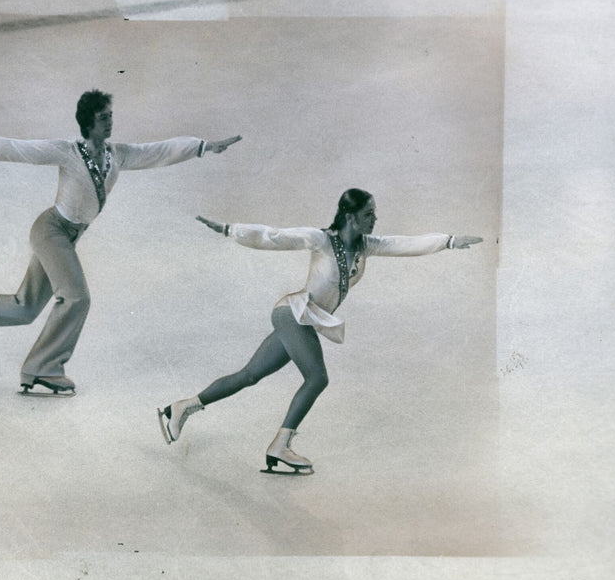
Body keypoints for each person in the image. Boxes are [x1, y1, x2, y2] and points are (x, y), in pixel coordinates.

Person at [0, 89, 241, 394]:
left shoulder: (118, 155)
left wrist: (202, 146)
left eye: (111, 115)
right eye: (104, 117)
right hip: (51, 231)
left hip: (68, 237)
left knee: (25, 308)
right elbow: (20, 148)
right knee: (77, 298)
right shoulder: (68, 152)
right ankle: (43, 367)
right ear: (89, 123)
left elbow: (157, 151)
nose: (110, 121)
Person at [157, 188, 482, 474]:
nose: (375, 219)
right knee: (317, 378)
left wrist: (449, 242)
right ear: (351, 217)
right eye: (369, 214)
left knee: (249, 375)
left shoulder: (367, 246)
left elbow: (404, 244)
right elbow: (275, 236)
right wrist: (231, 230)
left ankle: (184, 406)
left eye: (375, 213)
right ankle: (280, 445)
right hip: (292, 313)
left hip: (304, 319)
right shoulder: (322, 239)